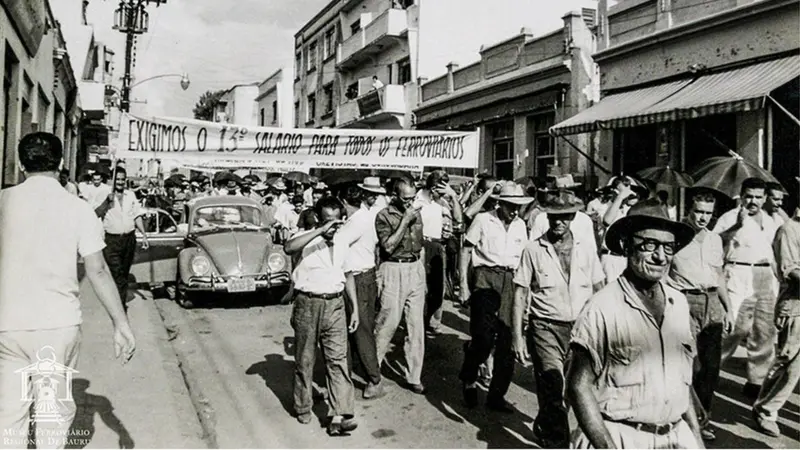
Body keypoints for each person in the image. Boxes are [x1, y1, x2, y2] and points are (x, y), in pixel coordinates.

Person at [0, 132, 135, 448]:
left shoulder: (3, 202)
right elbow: (98, 270)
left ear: (21, 164)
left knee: (8, 415)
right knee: (51, 419)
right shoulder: (78, 208)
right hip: (57, 326)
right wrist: (121, 323)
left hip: (7, 324)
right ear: (61, 164)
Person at [567, 198, 702, 449]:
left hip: (676, 437)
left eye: (668, 247)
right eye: (649, 245)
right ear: (627, 247)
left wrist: (696, 437)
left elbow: (682, 383)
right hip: (620, 436)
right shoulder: (602, 308)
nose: (660, 256)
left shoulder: (679, 304)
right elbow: (578, 386)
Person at [511, 191, 604, 448]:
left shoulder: (586, 249)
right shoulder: (533, 250)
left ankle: (545, 423)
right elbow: (520, 293)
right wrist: (517, 337)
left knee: (571, 391)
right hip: (545, 327)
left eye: (564, 217)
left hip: (580, 331)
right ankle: (558, 442)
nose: (558, 222)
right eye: (554, 217)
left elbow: (600, 288)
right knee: (552, 383)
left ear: (573, 217)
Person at [283, 196, 359, 435]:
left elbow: (348, 274)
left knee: (338, 360)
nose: (333, 227)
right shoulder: (305, 238)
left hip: (335, 304)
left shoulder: (344, 239)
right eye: (328, 221)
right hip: (308, 304)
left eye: (337, 222)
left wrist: (354, 307)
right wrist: (319, 231)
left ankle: (340, 414)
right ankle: (303, 406)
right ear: (318, 218)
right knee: (305, 360)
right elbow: (288, 247)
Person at [666, 190, 735, 442]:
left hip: (712, 302)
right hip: (684, 300)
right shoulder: (676, 237)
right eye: (699, 212)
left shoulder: (715, 239)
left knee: (710, 367)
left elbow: (719, 276)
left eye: (708, 213)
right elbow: (663, 273)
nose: (703, 217)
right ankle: (684, 420)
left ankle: (703, 420)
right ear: (689, 211)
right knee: (687, 365)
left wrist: (727, 308)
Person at [459, 182, 532, 412]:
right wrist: (463, 285)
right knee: (483, 338)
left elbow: (524, 261)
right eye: (511, 205)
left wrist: (527, 295)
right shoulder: (483, 219)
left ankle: (496, 395)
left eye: (519, 206)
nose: (515, 211)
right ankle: (469, 379)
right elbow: (466, 250)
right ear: (500, 203)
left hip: (512, 280)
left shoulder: (521, 225)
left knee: (508, 342)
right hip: (485, 278)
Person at [713, 177, 781, 398]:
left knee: (764, 331)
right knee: (734, 328)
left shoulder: (773, 220)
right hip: (738, 273)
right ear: (741, 196)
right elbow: (715, 244)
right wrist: (736, 226)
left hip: (765, 276)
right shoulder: (729, 217)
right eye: (749, 196)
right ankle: (710, 371)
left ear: (764, 199)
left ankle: (756, 381)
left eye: (758, 197)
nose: (753, 201)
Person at [751, 177, 800, 438]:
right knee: (789, 365)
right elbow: (789, 269)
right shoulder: (789, 230)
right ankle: (765, 409)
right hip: (795, 307)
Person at [374, 178, 427, 394]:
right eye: (406, 199)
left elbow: (419, 245)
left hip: (414, 267)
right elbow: (387, 246)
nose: (410, 203)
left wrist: (421, 276)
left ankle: (414, 375)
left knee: (416, 327)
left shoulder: (416, 211)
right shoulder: (383, 216)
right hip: (393, 269)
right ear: (394, 196)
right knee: (387, 323)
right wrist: (405, 220)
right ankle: (373, 372)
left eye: (413, 198)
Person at [335, 177, 386, 399]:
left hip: (358, 278)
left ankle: (374, 379)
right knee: (350, 328)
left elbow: (337, 243)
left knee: (361, 329)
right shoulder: (364, 217)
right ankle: (346, 376)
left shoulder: (357, 221)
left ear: (344, 201)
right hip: (358, 276)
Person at [94, 167, 149, 309]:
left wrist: (143, 234)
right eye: (117, 179)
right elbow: (96, 213)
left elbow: (136, 215)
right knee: (116, 272)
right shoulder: (104, 194)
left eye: (122, 179)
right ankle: (120, 306)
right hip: (112, 241)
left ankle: (119, 301)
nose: (119, 182)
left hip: (129, 239)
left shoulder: (130, 195)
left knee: (124, 273)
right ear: (112, 180)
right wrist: (107, 201)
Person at [416, 170, 463, 336]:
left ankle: (432, 320)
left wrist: (453, 197)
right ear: (434, 187)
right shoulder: (417, 199)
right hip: (421, 245)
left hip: (438, 246)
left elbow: (458, 219)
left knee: (438, 289)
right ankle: (417, 322)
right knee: (421, 288)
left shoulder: (442, 202)